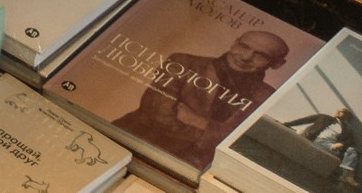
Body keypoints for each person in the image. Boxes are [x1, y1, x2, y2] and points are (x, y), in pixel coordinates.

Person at [113, 28, 292, 170]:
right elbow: (157, 114)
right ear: (234, 43)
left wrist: (199, 121)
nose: (246, 57)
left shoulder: (268, 96)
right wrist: (214, 136)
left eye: (261, 55)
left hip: (189, 167)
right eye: (244, 47)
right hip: (130, 141)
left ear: (277, 64)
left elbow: (242, 143)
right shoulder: (182, 62)